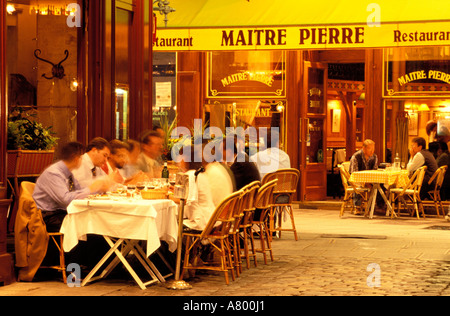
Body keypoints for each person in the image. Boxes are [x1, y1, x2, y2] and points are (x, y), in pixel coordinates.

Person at [33, 142, 110, 232]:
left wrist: (98, 189)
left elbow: (78, 191)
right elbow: (65, 200)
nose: (83, 160)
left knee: (97, 222)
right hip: (48, 217)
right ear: (75, 158)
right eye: (81, 157)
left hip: (61, 213)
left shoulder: (68, 173)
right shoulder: (54, 173)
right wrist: (91, 188)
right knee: (91, 229)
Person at [172, 145, 216, 231]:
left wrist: (165, 196)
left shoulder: (191, 175)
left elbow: (183, 200)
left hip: (200, 221)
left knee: (170, 223)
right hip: (211, 218)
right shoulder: (201, 173)